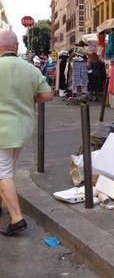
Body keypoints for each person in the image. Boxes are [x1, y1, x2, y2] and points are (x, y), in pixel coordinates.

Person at [0, 30, 53, 236]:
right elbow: (47, 95)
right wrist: (30, 98)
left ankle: (16, 218)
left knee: (3, 172)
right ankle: (4, 203)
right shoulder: (30, 69)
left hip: (2, 130)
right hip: (22, 128)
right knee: (8, 169)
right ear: (16, 47)